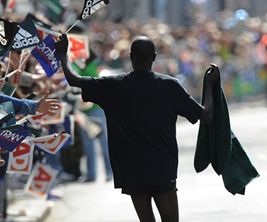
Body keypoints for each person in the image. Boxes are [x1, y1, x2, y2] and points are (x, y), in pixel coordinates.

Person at [56, 35, 219, 222]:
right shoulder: (169, 86)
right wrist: (209, 85)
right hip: (162, 166)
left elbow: (73, 79)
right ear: (154, 57)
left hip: (130, 168)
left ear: (131, 56)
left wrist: (62, 53)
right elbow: (206, 115)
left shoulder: (113, 86)